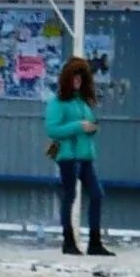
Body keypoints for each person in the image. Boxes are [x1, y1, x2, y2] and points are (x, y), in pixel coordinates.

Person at [44, 55, 110, 257]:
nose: (78, 82)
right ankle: (68, 241)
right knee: (69, 196)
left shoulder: (83, 102)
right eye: (75, 77)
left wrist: (92, 128)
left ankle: (95, 242)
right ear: (67, 78)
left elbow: (91, 123)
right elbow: (52, 129)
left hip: (85, 155)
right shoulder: (57, 103)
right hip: (68, 156)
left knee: (97, 194)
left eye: (81, 78)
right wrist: (78, 126)